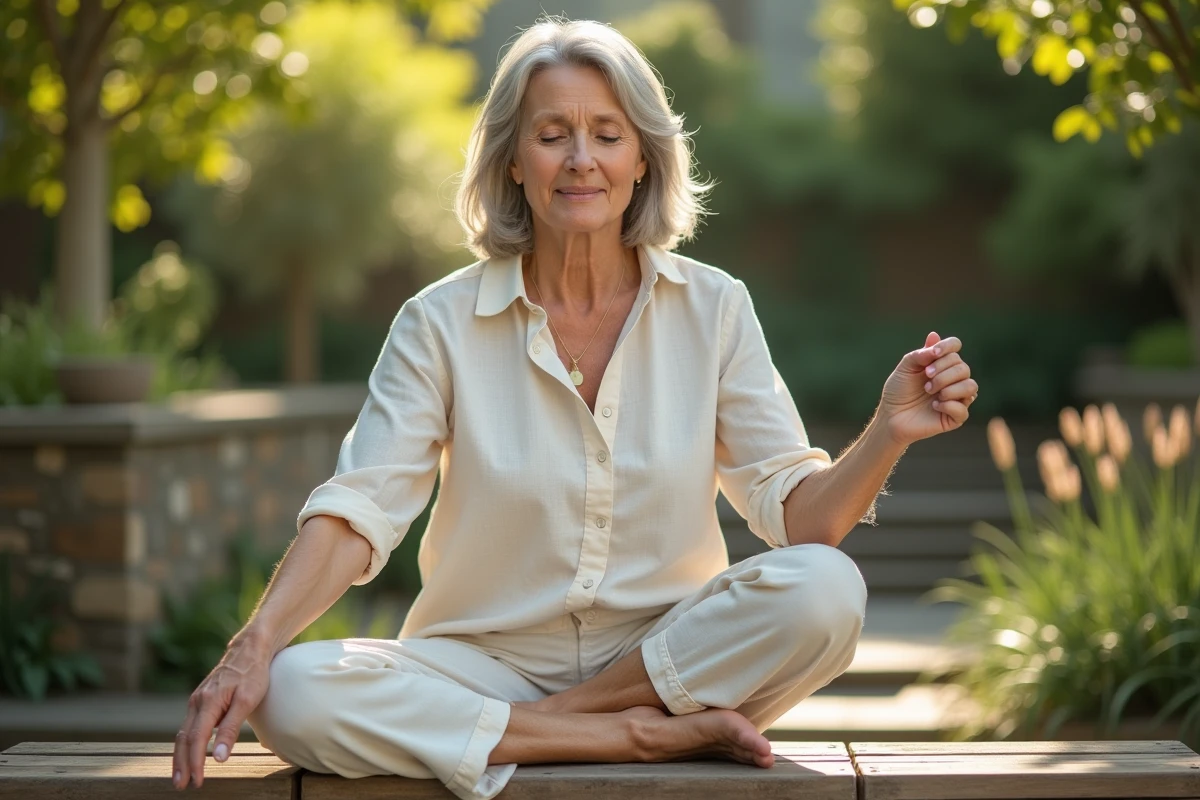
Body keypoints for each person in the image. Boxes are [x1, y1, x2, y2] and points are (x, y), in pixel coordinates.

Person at [171, 16, 979, 800]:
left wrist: (887, 432)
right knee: (293, 691)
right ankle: (640, 736)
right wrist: (253, 645)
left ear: (642, 160)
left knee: (828, 588)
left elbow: (801, 525)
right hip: (480, 660)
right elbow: (360, 510)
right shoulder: (438, 322)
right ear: (514, 160)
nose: (580, 159)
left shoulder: (715, 308)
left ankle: (542, 727)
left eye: (607, 133)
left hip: (668, 661)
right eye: (552, 133)